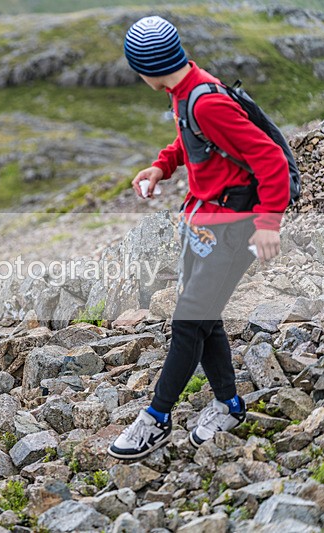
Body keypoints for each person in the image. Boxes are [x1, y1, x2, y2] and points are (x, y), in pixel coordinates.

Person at [108, 16, 290, 460]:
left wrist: (268, 224)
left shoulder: (206, 101)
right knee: (204, 319)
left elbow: (270, 161)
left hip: (235, 226)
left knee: (188, 322)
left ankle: (156, 418)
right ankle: (228, 405)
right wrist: (162, 166)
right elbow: (190, 142)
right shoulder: (184, 88)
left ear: (145, 68)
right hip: (203, 220)